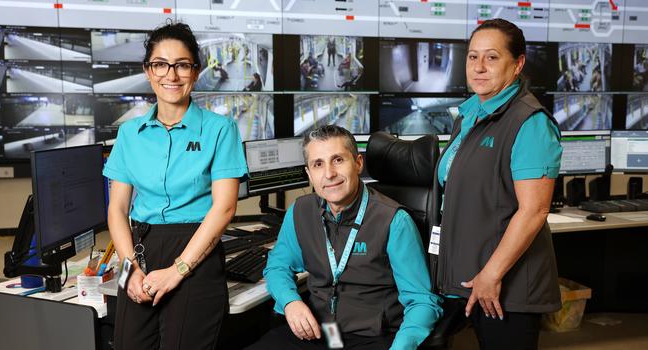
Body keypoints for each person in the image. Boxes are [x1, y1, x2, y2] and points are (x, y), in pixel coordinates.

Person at [103, 22, 248, 349]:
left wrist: (178, 270)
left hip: (195, 248)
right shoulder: (129, 134)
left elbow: (224, 208)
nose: (171, 75)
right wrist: (131, 268)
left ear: (195, 73)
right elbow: (117, 209)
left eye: (182, 65)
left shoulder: (220, 129)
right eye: (160, 65)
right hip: (137, 249)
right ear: (148, 71)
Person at [246, 125, 443, 350]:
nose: (329, 174)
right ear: (309, 174)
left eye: (338, 160)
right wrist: (290, 302)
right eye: (318, 164)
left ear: (358, 163)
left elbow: (421, 302)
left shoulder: (394, 220)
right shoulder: (300, 211)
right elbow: (278, 266)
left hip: (371, 336)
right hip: (320, 332)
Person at [433, 18, 562, 349]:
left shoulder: (529, 123)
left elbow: (534, 210)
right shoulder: (470, 114)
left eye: (491, 57)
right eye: (472, 57)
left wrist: (491, 275)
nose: (478, 67)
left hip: (505, 286)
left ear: (517, 64)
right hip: (466, 275)